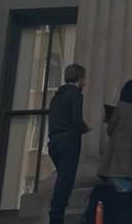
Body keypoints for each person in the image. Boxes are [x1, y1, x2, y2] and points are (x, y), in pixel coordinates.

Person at [90, 80, 132, 224]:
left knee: (115, 199)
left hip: (117, 159)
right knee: (129, 199)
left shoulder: (121, 107)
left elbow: (110, 129)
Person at [47, 64, 90, 224]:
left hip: (54, 142)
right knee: (64, 184)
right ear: (79, 79)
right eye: (84, 79)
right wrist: (85, 128)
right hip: (69, 142)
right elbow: (76, 119)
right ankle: (56, 218)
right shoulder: (76, 95)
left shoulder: (56, 97)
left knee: (61, 180)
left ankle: (56, 215)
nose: (85, 82)